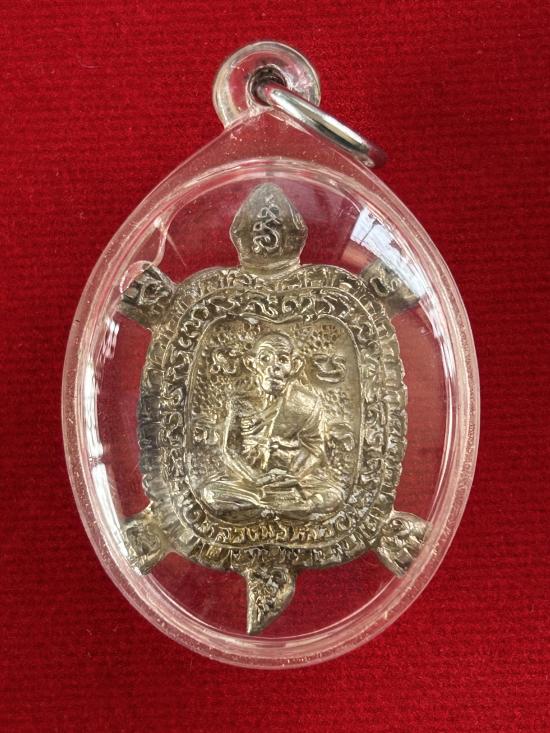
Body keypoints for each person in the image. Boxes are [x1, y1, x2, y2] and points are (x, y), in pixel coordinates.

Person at [200, 332, 344, 519]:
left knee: (334, 495)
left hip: (289, 482)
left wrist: (292, 476)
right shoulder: (240, 401)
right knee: (211, 493)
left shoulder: (308, 403)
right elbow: (230, 449)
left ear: (295, 365)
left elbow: (314, 447)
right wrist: (255, 478)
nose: (274, 367)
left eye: (282, 360)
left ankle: (268, 506)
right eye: (265, 359)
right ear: (251, 363)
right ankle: (282, 506)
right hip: (252, 483)